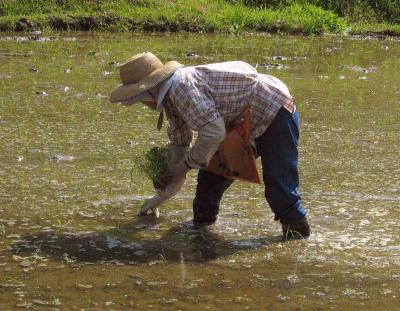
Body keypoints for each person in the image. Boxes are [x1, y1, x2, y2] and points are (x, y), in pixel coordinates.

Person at [110, 52, 310, 240]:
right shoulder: (172, 100)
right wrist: (159, 196)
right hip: (241, 121)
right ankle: (201, 236)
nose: (143, 105)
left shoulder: (181, 87)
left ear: (147, 91)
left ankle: (298, 239)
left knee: (279, 185)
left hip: (274, 108)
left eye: (140, 99)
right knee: (209, 183)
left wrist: (185, 166)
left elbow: (213, 132)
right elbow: (180, 147)